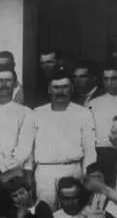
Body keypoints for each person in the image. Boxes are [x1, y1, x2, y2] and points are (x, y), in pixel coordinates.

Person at [29, 68, 97, 208]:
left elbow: (89, 149)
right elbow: (29, 148)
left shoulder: (83, 113)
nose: (60, 92)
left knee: (73, 213)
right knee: (45, 213)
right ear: (49, 89)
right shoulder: (37, 114)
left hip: (72, 170)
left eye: (65, 87)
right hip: (45, 173)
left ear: (72, 88)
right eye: (56, 87)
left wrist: (86, 177)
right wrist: (29, 175)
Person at [0, 67, 33, 185]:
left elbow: (24, 149)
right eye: (0, 81)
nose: (4, 84)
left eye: (8, 80)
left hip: (13, 173)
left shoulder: (25, 112)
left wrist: (0, 168)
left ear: (15, 84)